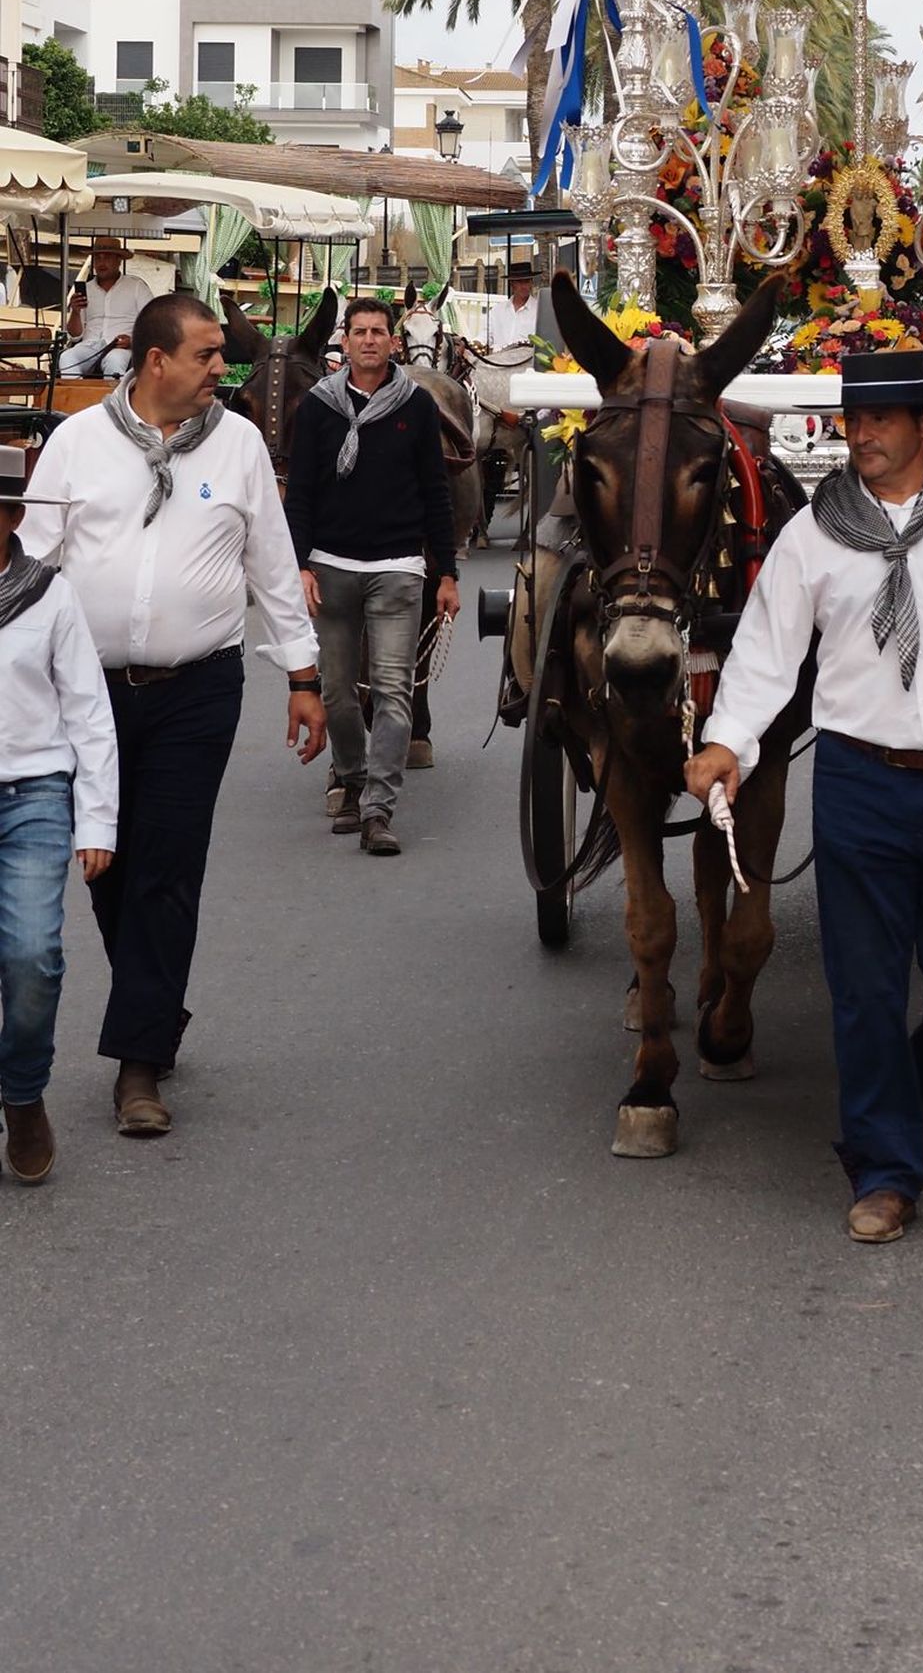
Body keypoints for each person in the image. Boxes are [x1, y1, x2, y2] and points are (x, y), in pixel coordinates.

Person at [684, 348, 923, 1247]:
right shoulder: (815, 532)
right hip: (862, 781)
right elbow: (765, 653)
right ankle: (885, 1170)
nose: (861, 433)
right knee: (863, 988)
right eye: (853, 419)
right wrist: (725, 741)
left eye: (882, 419)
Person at [24, 292, 325, 1139]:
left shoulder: (237, 448)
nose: (220, 372)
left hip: (200, 686)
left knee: (167, 863)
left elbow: (272, 564)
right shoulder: (76, 445)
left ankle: (139, 1064)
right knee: (109, 862)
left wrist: (302, 675)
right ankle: (152, 1006)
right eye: (206, 356)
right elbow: (33, 567)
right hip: (86, 694)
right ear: (156, 360)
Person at [283, 296, 460, 858]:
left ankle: (379, 808)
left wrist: (447, 572)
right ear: (345, 342)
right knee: (337, 692)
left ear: (393, 342)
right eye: (358, 332)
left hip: (397, 568)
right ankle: (352, 778)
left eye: (378, 332)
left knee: (392, 691)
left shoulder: (417, 407)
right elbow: (302, 493)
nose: (368, 341)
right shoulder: (316, 409)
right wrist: (299, 563)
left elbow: (437, 493)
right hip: (331, 565)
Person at [0, 446, 118, 1184]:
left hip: (34, 795)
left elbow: (89, 711)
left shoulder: (49, 595)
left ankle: (23, 1094)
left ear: (10, 518)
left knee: (33, 957)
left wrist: (95, 821)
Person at [59, 238, 152, 378]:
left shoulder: (136, 287)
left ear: (119, 260)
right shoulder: (87, 288)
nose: (101, 262)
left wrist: (133, 341)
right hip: (90, 345)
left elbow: (152, 324)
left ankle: (111, 400)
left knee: (115, 361)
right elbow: (75, 335)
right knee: (66, 358)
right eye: (97, 257)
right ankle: (78, 398)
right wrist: (76, 312)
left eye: (107, 257)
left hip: (119, 346)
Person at [486, 262, 539, 348]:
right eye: (519, 282)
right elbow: (485, 335)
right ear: (512, 284)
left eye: (526, 282)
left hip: (525, 359)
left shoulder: (539, 311)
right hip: (498, 359)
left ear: (531, 283)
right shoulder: (497, 310)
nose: (524, 286)